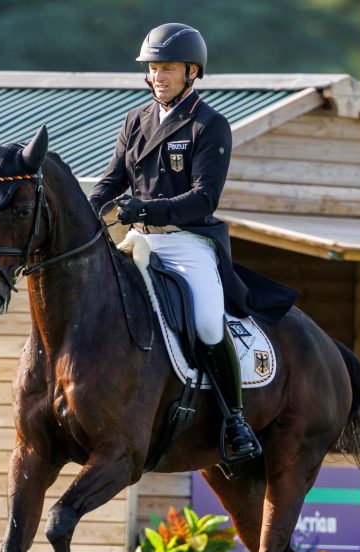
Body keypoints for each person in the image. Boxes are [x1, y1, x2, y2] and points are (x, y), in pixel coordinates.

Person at [88, 23, 297, 468]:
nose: (157, 76)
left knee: (205, 322)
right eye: (153, 68)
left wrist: (145, 209)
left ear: (192, 71)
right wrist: (88, 212)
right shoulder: (135, 120)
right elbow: (112, 179)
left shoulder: (210, 124)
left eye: (167, 68)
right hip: (139, 242)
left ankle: (235, 419)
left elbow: (204, 198)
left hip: (187, 245)